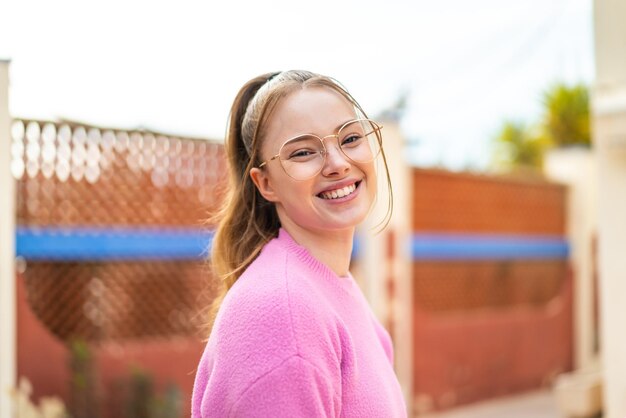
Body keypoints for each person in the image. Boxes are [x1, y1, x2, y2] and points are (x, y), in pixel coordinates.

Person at [191, 70, 406, 417]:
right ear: (266, 184)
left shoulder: (331, 290)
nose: (338, 163)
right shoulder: (284, 311)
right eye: (304, 152)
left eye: (350, 138)